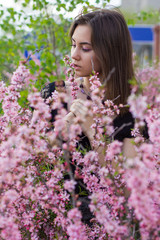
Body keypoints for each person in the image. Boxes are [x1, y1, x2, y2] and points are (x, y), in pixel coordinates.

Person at [41, 8, 138, 225]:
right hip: (54, 221)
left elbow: (127, 191)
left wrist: (91, 129)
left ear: (111, 52)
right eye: (73, 44)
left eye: (85, 48)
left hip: (105, 226)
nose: (74, 55)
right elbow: (33, 160)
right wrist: (58, 135)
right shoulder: (54, 93)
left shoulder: (134, 111)